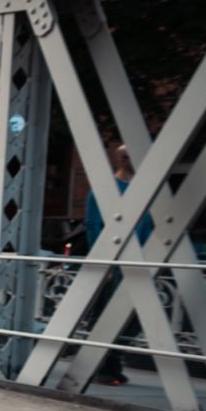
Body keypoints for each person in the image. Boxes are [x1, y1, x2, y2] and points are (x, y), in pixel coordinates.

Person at [81, 141, 153, 386]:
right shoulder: (104, 190)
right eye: (130, 156)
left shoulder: (145, 191)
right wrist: (105, 262)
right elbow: (92, 225)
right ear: (121, 159)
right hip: (116, 261)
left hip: (140, 262)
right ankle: (104, 366)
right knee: (107, 314)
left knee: (133, 317)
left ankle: (114, 361)